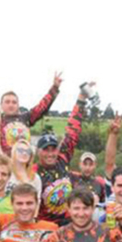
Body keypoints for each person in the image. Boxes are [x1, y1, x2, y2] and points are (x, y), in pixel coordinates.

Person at [36, 84, 92, 224]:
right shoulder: (32, 173)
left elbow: (73, 131)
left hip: (69, 221)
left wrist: (81, 99)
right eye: (46, 149)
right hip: (45, 225)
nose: (50, 154)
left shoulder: (62, 159)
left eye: (53, 149)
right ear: (38, 152)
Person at [0, 68, 61, 156]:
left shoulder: (25, 118)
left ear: (18, 105)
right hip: (4, 165)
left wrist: (54, 88)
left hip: (23, 162)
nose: (11, 105)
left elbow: (42, 107)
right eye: (7, 102)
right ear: (1, 105)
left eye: (14, 102)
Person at [0, 113, 41, 195]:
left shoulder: (35, 178)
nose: (24, 153)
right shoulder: (6, 170)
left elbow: (37, 202)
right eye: (20, 150)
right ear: (14, 152)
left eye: (27, 151)